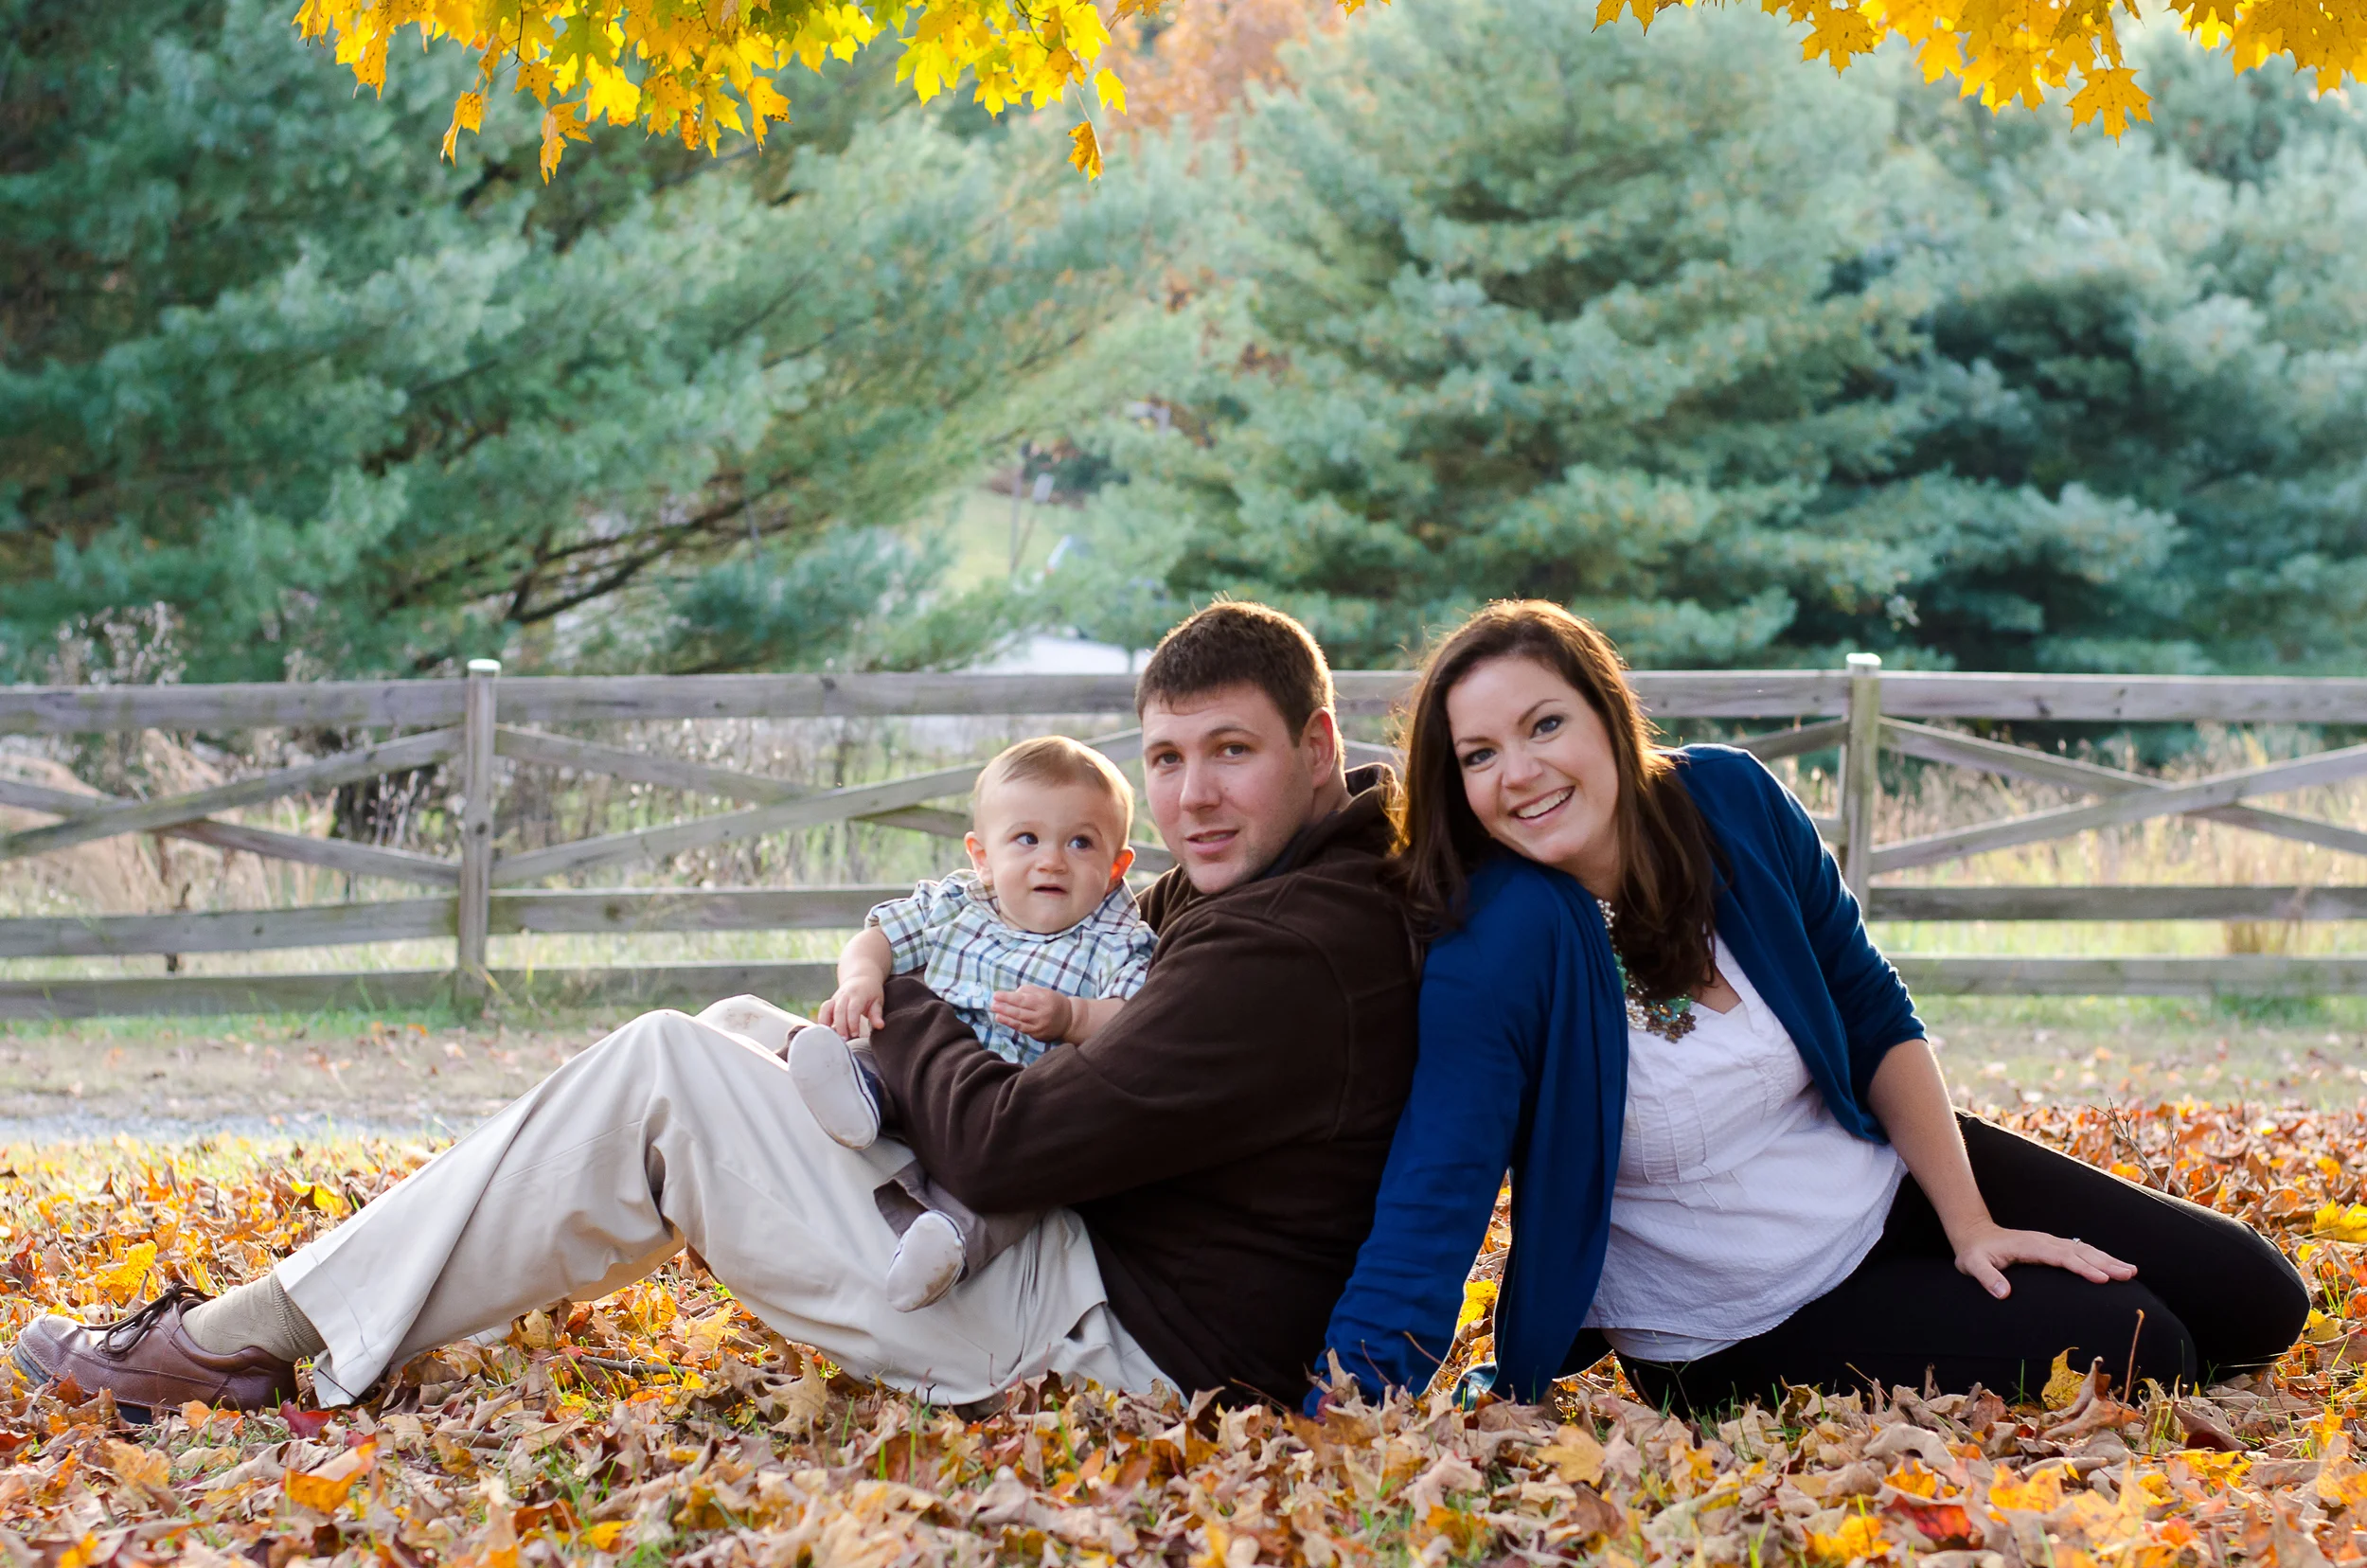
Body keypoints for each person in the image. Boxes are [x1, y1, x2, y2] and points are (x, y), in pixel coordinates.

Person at [10, 601, 1418, 1416]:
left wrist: (914, 987)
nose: (1187, 799)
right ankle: (318, 1316)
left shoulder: (1287, 953)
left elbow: (997, 1154)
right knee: (738, 1029)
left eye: (1230, 753)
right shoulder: (1260, 899)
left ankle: (242, 1341)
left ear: (1318, 748)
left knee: (666, 1074)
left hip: (1117, 1345)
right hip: (1079, 1262)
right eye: (1166, 760)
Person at [1317, 600, 2308, 1415]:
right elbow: (1434, 1192)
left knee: (2258, 1299)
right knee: (2149, 1345)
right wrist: (1353, 1409)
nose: (1520, 772)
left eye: (1544, 725)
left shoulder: (1730, 805)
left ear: (1607, 716)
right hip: (1737, 1319)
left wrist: (1969, 1224)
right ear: (1456, 785)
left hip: (1879, 1186)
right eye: (1478, 755)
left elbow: (1873, 1011)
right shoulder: (1495, 948)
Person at [788, 734, 1158, 1313]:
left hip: (1008, 1120)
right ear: (983, 854)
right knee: (877, 1030)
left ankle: (946, 1245)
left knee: (1020, 1191)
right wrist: (861, 977)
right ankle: (857, 1096)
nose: (1052, 860)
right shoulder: (959, 905)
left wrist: (1072, 1015)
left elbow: (1132, 1018)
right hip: (920, 1076)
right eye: (1027, 839)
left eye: (1081, 843)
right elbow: (878, 938)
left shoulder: (1116, 941)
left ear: (1116, 867)